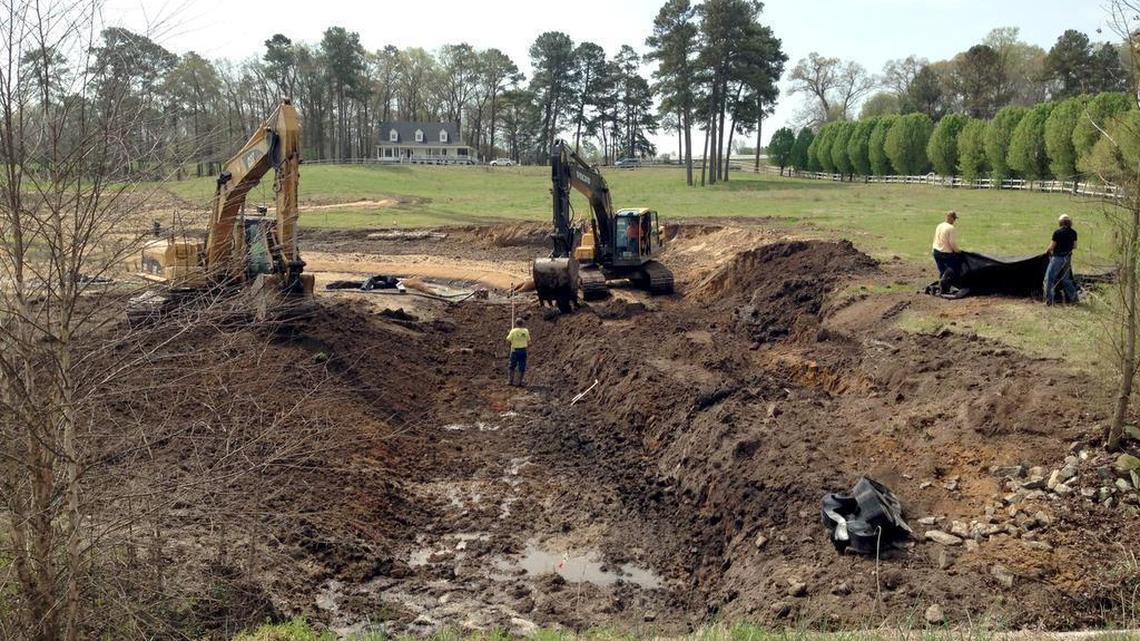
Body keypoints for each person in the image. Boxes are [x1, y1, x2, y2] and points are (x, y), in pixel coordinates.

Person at [1044, 214, 1079, 305]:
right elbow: (1075, 246)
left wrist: (1046, 251)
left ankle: (1049, 301)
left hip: (1057, 258)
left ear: (1060, 222)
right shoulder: (1074, 232)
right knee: (1066, 279)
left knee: (1049, 279)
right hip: (1067, 258)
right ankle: (1074, 298)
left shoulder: (1057, 232)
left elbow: (1052, 247)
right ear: (1069, 222)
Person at [932, 211, 962, 294]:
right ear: (952, 218)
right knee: (953, 268)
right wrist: (958, 251)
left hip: (936, 251)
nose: (954, 221)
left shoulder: (939, 225)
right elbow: (952, 243)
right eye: (954, 219)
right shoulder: (950, 228)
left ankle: (943, 288)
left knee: (942, 271)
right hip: (945, 253)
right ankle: (944, 283)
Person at [505, 317, 530, 386]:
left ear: (516, 323)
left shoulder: (513, 331)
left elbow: (508, 340)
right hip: (523, 350)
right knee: (521, 366)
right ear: (522, 323)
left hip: (514, 350)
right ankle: (519, 382)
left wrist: (509, 346)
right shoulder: (526, 331)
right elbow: (529, 341)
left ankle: (510, 381)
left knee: (512, 366)